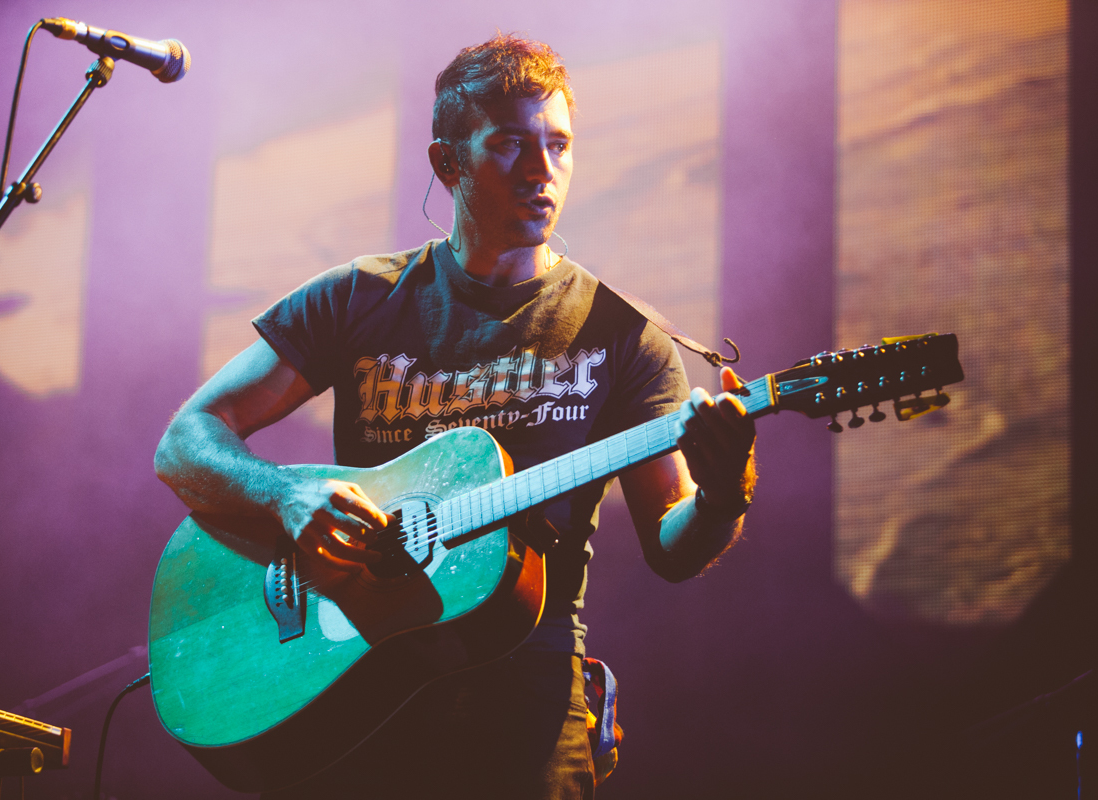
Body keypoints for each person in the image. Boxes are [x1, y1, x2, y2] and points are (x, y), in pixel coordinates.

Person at [155, 33, 756, 800]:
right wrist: (283, 495)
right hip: (349, 684)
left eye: (559, 144)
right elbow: (185, 442)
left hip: (527, 707)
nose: (542, 169)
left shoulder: (624, 336)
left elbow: (673, 546)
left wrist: (725, 492)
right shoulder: (357, 298)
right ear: (448, 163)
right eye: (510, 144)